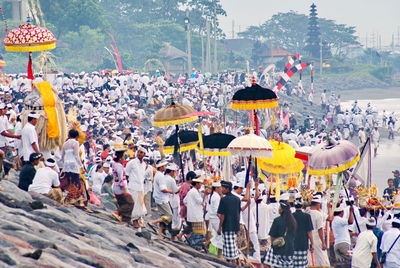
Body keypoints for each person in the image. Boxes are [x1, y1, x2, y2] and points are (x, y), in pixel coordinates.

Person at [263, 202, 297, 268]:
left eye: (279, 207)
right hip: (290, 249)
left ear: (282, 210)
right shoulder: (293, 221)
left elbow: (272, 236)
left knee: (266, 262)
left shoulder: (277, 220)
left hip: (278, 248)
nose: (278, 209)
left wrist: (274, 244)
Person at [217, 181, 241, 264]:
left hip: (227, 225)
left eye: (223, 188)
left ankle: (233, 262)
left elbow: (222, 215)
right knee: (232, 244)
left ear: (227, 189)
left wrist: (219, 227)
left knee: (229, 246)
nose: (221, 189)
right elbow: (238, 213)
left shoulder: (223, 200)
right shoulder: (237, 199)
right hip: (235, 225)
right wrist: (238, 226)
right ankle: (234, 261)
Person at [148, 160, 174, 238]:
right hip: (162, 198)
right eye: (165, 166)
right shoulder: (161, 176)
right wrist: (171, 191)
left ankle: (159, 234)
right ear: (161, 167)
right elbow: (163, 189)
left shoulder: (158, 174)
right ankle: (152, 222)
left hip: (158, 197)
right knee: (169, 216)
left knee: (163, 217)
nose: (166, 168)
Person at [61, 129, 85, 208]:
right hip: (73, 165)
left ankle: (75, 200)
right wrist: (81, 166)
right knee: (76, 183)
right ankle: (68, 200)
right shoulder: (75, 143)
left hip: (66, 165)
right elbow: (76, 155)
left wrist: (64, 164)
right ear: (77, 136)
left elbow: (62, 156)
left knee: (71, 183)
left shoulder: (65, 143)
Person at [125, 146, 147, 228]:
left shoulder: (144, 164)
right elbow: (126, 174)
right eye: (138, 152)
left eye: (141, 153)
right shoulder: (132, 162)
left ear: (144, 154)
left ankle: (137, 220)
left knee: (139, 205)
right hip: (133, 186)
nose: (139, 154)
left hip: (140, 187)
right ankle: (133, 221)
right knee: (133, 203)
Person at [184, 176, 207, 249]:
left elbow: (185, 201)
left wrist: (191, 207)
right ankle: (196, 246)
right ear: (196, 184)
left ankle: (193, 243)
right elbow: (200, 201)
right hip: (196, 215)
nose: (200, 185)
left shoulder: (191, 191)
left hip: (192, 214)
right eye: (200, 184)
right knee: (200, 231)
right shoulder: (194, 192)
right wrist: (205, 195)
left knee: (195, 230)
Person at [306, 196, 330, 267]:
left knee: (310, 259)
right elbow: (320, 229)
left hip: (307, 238)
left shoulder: (306, 212)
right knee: (321, 259)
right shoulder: (318, 214)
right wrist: (323, 242)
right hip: (316, 238)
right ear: (318, 204)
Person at [112, 149, 134, 224]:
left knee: (123, 203)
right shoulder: (119, 166)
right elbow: (121, 178)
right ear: (121, 158)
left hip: (116, 187)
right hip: (120, 188)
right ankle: (117, 212)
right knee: (130, 202)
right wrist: (124, 188)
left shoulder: (115, 164)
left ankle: (123, 219)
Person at [293, 200, 314, 268]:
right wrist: (312, 243)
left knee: (293, 264)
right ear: (302, 206)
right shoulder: (307, 216)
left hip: (292, 244)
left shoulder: (291, 216)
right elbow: (309, 232)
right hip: (303, 243)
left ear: (294, 206)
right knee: (302, 264)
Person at [207, 181, 223, 257]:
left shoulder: (214, 195)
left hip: (213, 218)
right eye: (220, 188)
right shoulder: (216, 197)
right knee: (221, 235)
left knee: (217, 235)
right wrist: (222, 219)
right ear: (216, 188)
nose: (221, 189)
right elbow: (218, 211)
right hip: (216, 218)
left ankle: (206, 243)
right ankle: (219, 255)